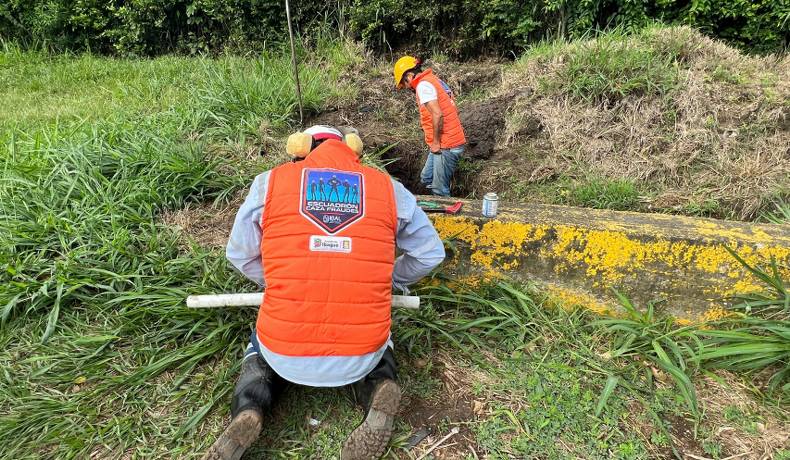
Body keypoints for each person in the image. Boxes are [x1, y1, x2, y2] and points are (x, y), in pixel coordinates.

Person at [203, 125, 445, 460]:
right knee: (380, 344)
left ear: (300, 149)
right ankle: (379, 387)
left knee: (258, 350)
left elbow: (239, 254)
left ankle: (250, 408)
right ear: (352, 150)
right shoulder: (389, 188)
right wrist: (386, 281)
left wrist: (276, 283)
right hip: (358, 353)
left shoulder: (269, 182)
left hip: (284, 349)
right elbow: (431, 254)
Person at [394, 56, 466, 197]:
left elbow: (437, 115)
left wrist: (436, 143)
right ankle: (435, 202)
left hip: (447, 145)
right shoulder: (432, 80)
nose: (407, 87)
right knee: (426, 178)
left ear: (409, 75)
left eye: (404, 82)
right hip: (447, 141)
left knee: (439, 190)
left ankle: (447, 216)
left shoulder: (423, 86)